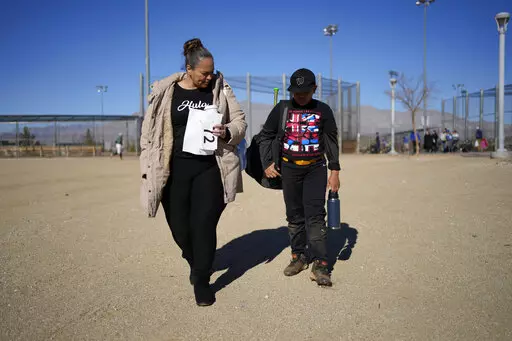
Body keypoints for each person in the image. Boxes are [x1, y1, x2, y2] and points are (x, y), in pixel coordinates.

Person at [139, 38, 247, 306]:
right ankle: (196, 259)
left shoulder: (220, 89)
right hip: (174, 170)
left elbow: (240, 122)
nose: (209, 77)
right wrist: (146, 161)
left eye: (212, 72)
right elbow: (148, 130)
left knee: (203, 224)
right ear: (189, 69)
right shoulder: (167, 91)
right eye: (204, 73)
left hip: (210, 168)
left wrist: (228, 131)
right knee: (180, 230)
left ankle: (201, 278)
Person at [258, 68, 340, 287]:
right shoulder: (282, 109)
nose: (300, 96)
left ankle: (321, 264)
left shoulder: (323, 110)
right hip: (289, 169)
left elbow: (331, 141)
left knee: (315, 216)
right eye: (296, 92)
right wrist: (267, 163)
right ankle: (299, 257)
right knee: (294, 216)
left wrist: (335, 172)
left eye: (305, 92)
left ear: (314, 89)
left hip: (316, 169)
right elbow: (265, 136)